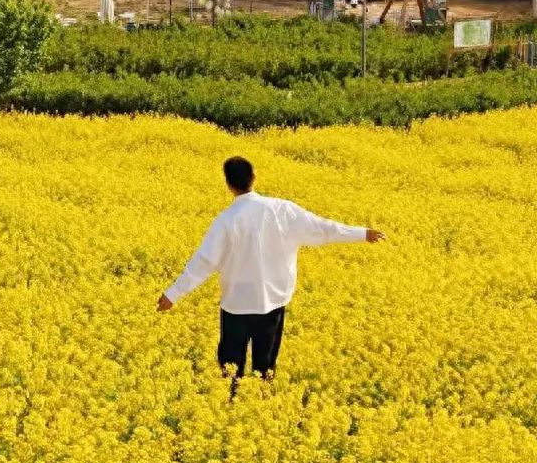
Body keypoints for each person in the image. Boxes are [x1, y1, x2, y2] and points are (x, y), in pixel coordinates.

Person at [157, 156, 385, 386]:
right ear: (254, 177)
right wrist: (361, 233)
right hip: (273, 303)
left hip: (237, 305)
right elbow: (322, 229)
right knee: (265, 366)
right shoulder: (283, 210)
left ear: (228, 184)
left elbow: (204, 261)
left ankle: (232, 405)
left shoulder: (226, 221)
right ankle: (261, 404)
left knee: (230, 368)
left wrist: (174, 293)